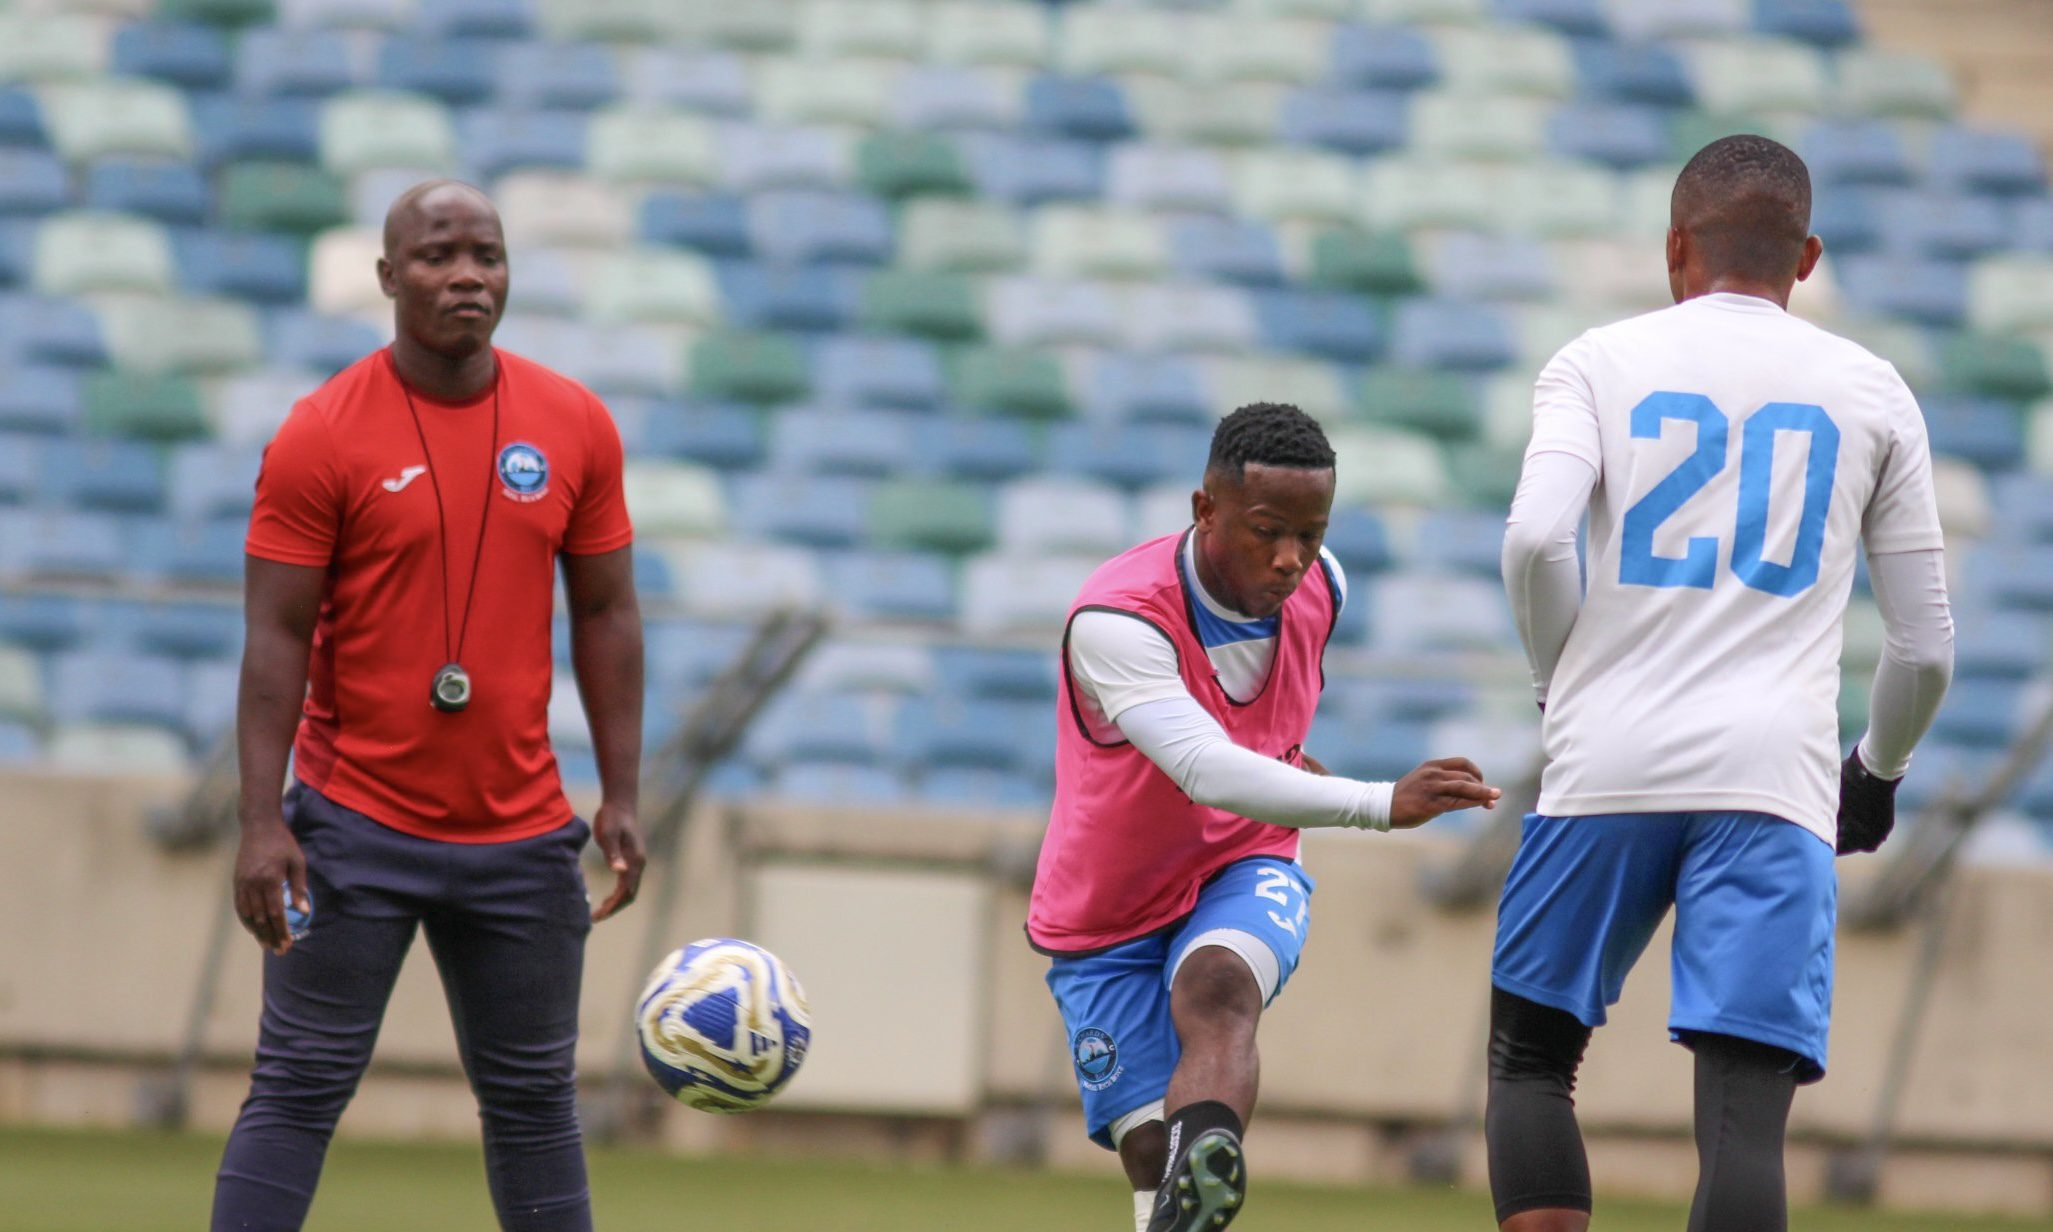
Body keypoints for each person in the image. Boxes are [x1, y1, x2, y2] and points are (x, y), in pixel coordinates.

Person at [1489, 134, 1955, 1232]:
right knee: (1744, 1114)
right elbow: (1925, 645)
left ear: (1673, 246)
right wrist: (1876, 772)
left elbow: (1532, 542)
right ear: (1807, 258)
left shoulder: (1595, 361)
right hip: (1772, 776)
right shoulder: (1872, 390)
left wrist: (1557, 681)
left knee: (1532, 1057)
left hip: (1605, 758)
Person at [213, 180, 647, 1232]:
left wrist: (622, 791)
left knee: (537, 1101)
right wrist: (263, 818)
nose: (467, 276)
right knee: (302, 1084)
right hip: (353, 822)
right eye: (438, 255)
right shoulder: (322, 431)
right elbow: (274, 636)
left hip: (521, 831)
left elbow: (606, 611)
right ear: (386, 277)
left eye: (487, 256)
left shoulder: (574, 422)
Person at [1027, 401, 1503, 1232]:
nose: (1291, 559)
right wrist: (1377, 802)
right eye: (1265, 531)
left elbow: (1254, 732)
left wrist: (1282, 757)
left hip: (1243, 862)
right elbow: (1204, 767)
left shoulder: (1327, 587)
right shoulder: (1116, 620)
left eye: (1310, 534)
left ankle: (1210, 1164)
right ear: (1203, 508)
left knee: (1217, 988)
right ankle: (1186, 1189)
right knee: (1148, 1156)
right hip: (1106, 907)